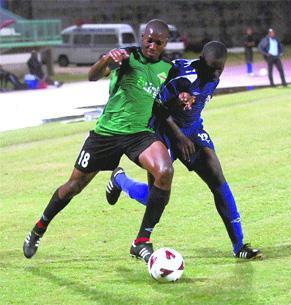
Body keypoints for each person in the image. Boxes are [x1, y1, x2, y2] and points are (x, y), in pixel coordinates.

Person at [23, 19, 179, 263]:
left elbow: (170, 94)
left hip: (138, 133)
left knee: (165, 170)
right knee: (73, 186)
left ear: (164, 44)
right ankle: (39, 228)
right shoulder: (126, 57)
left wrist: (185, 97)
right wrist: (106, 60)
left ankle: (141, 242)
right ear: (142, 38)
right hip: (106, 134)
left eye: (158, 42)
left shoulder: (167, 67)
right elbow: (92, 75)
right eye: (148, 40)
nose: (152, 45)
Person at [106, 41, 263, 260]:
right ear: (200, 61)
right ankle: (120, 179)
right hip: (163, 133)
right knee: (156, 197)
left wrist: (187, 127)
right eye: (211, 68)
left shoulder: (212, 75)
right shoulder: (181, 74)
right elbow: (155, 103)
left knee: (217, 179)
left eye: (220, 68)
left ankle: (239, 246)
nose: (215, 73)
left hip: (192, 132)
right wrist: (177, 128)